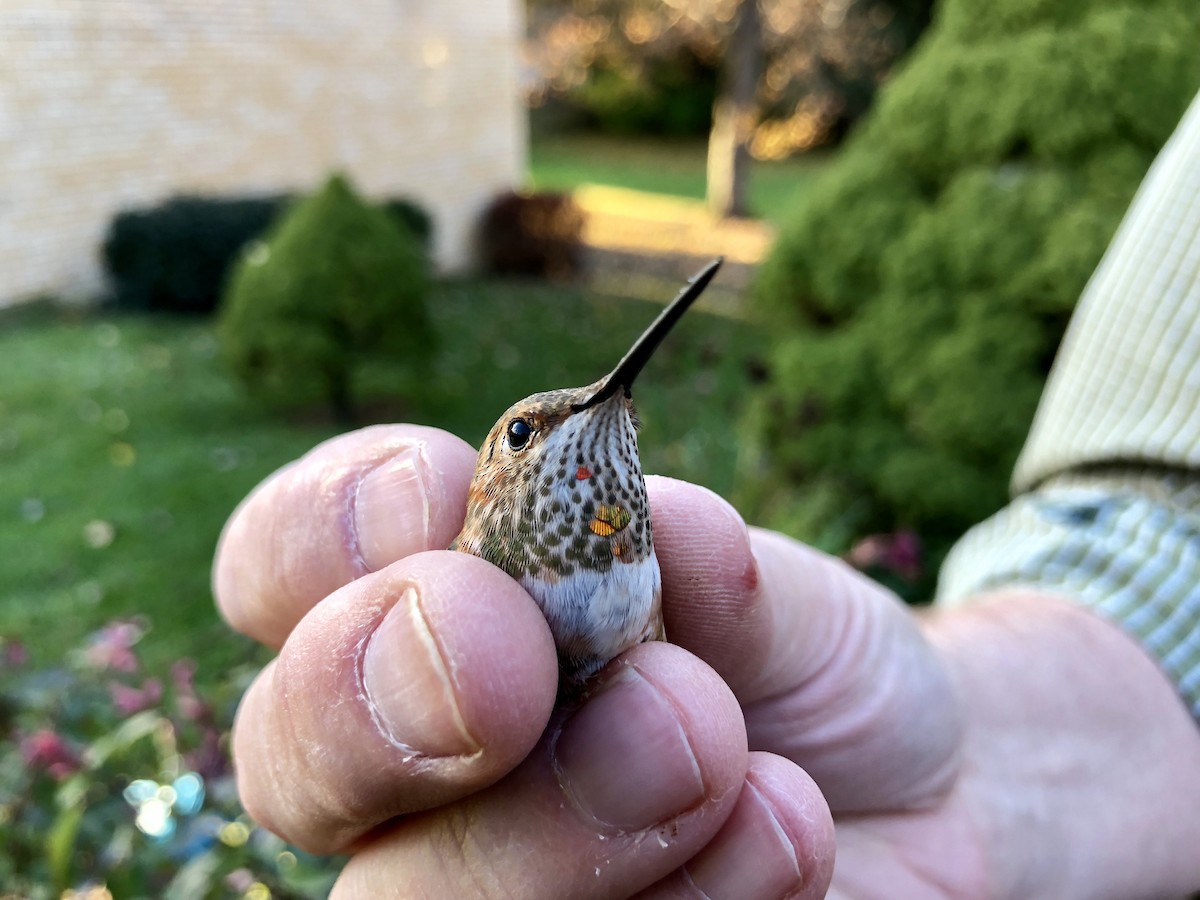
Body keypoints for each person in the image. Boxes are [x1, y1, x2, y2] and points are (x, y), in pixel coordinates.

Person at [213, 94, 1200, 899]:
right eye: (527, 431)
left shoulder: (644, 547)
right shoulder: (482, 563)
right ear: (495, 478)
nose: (596, 419)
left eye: (615, 421)